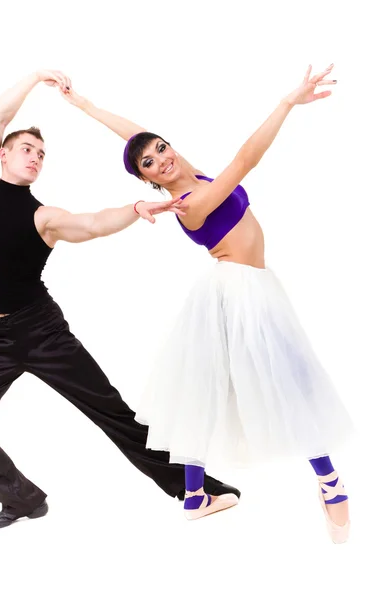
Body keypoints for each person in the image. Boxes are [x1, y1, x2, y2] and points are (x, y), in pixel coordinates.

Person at [61, 64, 354, 542]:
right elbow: (244, 160)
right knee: (288, 380)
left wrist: (86, 105)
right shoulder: (189, 202)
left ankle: (196, 497)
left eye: (162, 148)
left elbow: (136, 133)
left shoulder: (189, 172)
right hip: (241, 293)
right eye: (151, 163)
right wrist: (286, 104)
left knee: (211, 385)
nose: (161, 157)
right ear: (147, 180)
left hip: (242, 287)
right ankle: (331, 484)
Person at [0, 69, 241, 531]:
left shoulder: (44, 216)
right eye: (27, 149)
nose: (35, 158)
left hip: (42, 333)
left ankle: (195, 489)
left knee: (113, 413)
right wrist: (36, 76)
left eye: (41, 154)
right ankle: (21, 499)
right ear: (2, 155)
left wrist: (136, 209)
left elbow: (93, 223)